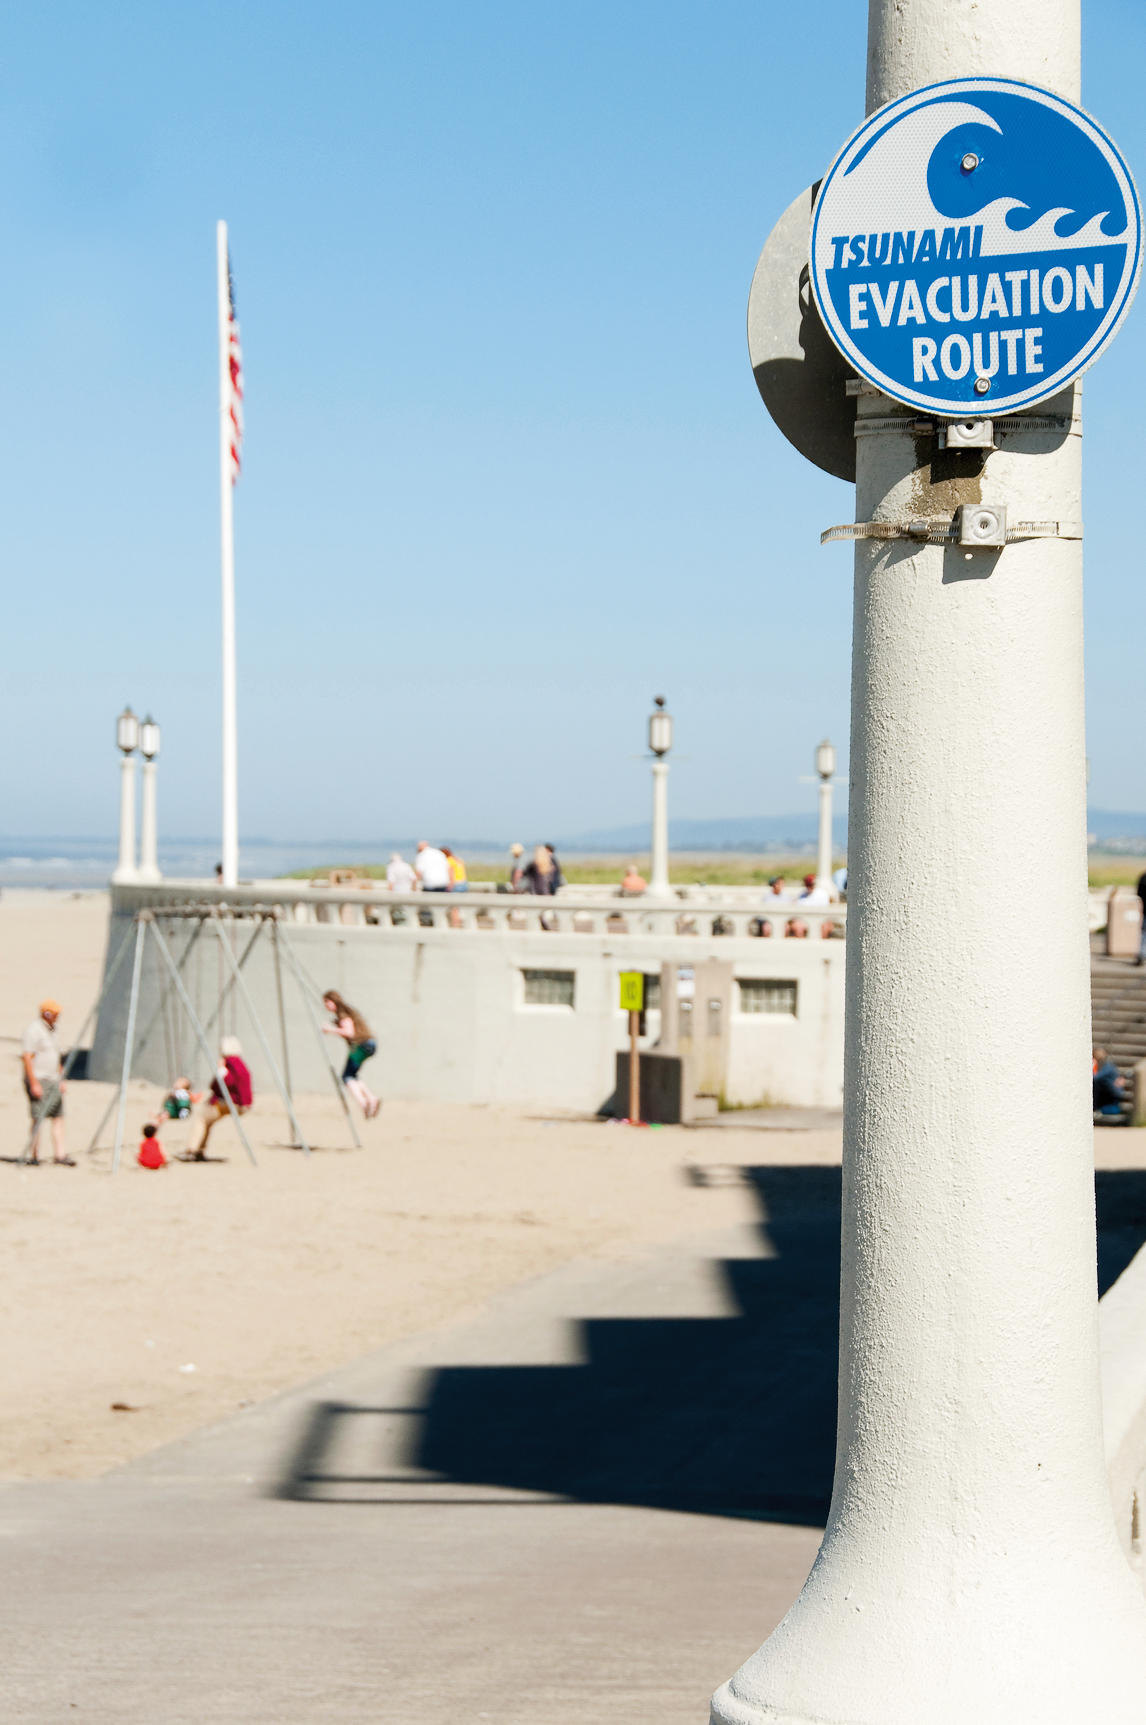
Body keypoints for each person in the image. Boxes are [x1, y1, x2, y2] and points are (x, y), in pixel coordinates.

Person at [21, 998, 73, 1165]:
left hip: (53, 1079)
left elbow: (55, 1056)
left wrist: (61, 1078)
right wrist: (33, 1082)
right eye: (56, 1014)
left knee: (58, 1116)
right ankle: (34, 1155)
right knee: (38, 1117)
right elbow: (27, 1058)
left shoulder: (54, 1030)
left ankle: (60, 1154)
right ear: (47, 1014)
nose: (58, 1016)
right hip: (39, 1078)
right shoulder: (34, 1030)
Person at [190, 1036, 253, 1159]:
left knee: (201, 1118)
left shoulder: (230, 1063)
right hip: (243, 1103)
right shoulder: (240, 1063)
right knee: (207, 1121)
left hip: (233, 1102)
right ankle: (199, 1148)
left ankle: (192, 1149)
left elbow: (225, 1083)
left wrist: (221, 1069)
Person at [321, 990, 380, 1117]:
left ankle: (364, 1104)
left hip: (361, 1045)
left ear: (333, 1001)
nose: (325, 1006)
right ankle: (371, 1099)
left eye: (327, 1002)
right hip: (369, 1044)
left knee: (347, 1077)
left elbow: (349, 1032)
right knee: (353, 1075)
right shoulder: (347, 1012)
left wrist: (330, 1030)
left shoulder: (343, 1013)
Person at [1093, 1048, 1126, 1116]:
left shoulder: (1107, 1067)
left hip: (1113, 1092)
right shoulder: (1103, 1066)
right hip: (1110, 1092)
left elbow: (1096, 1077)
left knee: (1096, 1083)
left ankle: (1096, 1108)